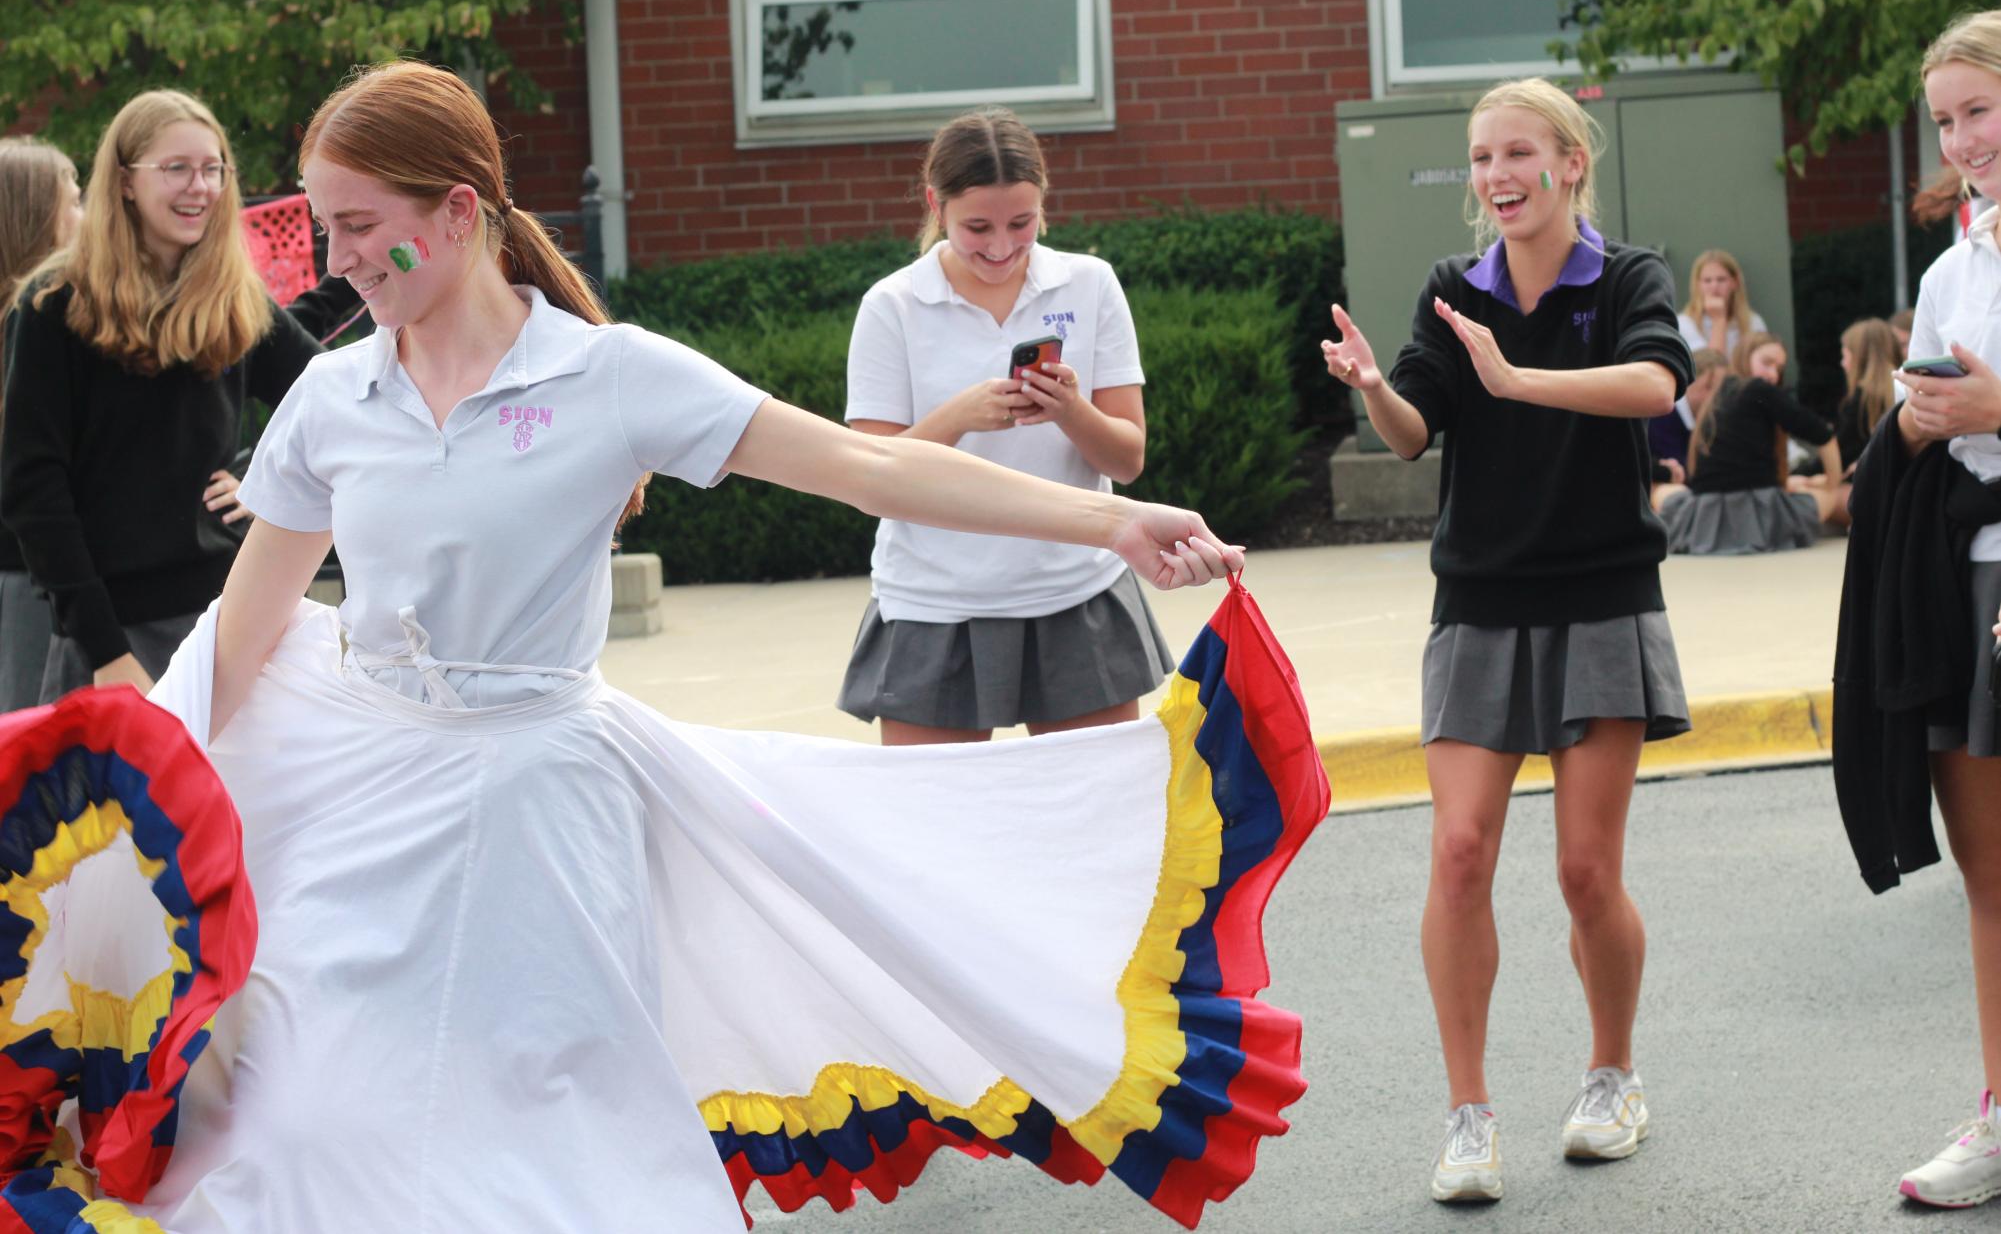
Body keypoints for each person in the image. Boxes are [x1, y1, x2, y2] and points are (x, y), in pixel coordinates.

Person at [17, 62, 1323, 1231]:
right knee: (309, 1126)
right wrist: (123, 851)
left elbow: (869, 467)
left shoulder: (611, 374)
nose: (333, 256)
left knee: (559, 1117)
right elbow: (239, 643)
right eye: (325, 221)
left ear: (458, 214)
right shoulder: (332, 399)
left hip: (545, 803)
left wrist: (1116, 519)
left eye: (362, 226)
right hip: (361, 797)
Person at [1321, 76, 1691, 1204]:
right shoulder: (1453, 289)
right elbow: (1417, 430)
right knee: (1460, 851)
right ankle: (1469, 1114)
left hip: (1601, 595)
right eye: (1482, 158)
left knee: (1585, 871)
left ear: (1570, 162)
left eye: (1518, 153)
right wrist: (1379, 387)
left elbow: (1657, 384)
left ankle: (1613, 1074)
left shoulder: (1627, 275)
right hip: (1479, 602)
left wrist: (1518, 376)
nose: (1497, 176)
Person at [0, 90, 358, 704]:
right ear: (125, 180)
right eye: (177, 169)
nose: (201, 186)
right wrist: (106, 651)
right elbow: (33, 488)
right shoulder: (54, 304)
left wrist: (258, 478)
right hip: (109, 637)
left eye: (213, 168)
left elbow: (331, 400)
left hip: (226, 622)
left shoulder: (233, 299)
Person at [838, 107, 1171, 744]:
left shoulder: (1090, 283)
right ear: (935, 205)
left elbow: (1128, 461)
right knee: (940, 833)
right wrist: (958, 418)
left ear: (1044, 203)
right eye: (977, 227)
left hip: (1074, 590)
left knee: (1086, 827)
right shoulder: (892, 305)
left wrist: (1071, 411)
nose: (999, 246)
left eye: (1021, 223)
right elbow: (865, 478)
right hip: (933, 604)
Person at [1838, 8, 2001, 1210]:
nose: (1963, 142)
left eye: (1979, 111)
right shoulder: (1951, 269)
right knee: (1990, 871)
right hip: (1967, 575)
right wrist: (1917, 415)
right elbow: (1917, 432)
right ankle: (2000, 1110)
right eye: (1946, 122)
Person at [0, 136, 82, 711]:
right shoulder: (40, 327)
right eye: (73, 199)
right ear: (37, 217)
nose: (87, 216)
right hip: (34, 587)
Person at [1658, 334, 1841, 551]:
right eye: (1767, 363)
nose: (1773, 374)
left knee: (1661, 492)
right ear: (1745, 357)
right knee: (1831, 495)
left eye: (1779, 368)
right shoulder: (1756, 388)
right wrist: (1833, 481)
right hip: (1760, 517)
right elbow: (1823, 434)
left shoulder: (1718, 395)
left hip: (1702, 518)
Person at [1788, 317, 1900, 528]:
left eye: (1845, 355)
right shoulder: (1904, 393)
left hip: (1874, 498)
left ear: (1859, 357)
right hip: (1902, 496)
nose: (1842, 363)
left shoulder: (1864, 400)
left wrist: (1791, 477)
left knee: (1800, 493)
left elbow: (1836, 456)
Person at [1647, 347, 1727, 510]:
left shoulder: (1710, 421)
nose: (1715, 398)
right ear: (1690, 381)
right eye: (1709, 387)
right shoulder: (1662, 417)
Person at [1676, 248, 1766, 359]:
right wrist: (1718, 319)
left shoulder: (1753, 322)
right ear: (1698, 284)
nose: (1714, 286)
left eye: (1721, 279)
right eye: (1707, 280)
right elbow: (1710, 370)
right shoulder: (1684, 323)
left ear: (1735, 282)